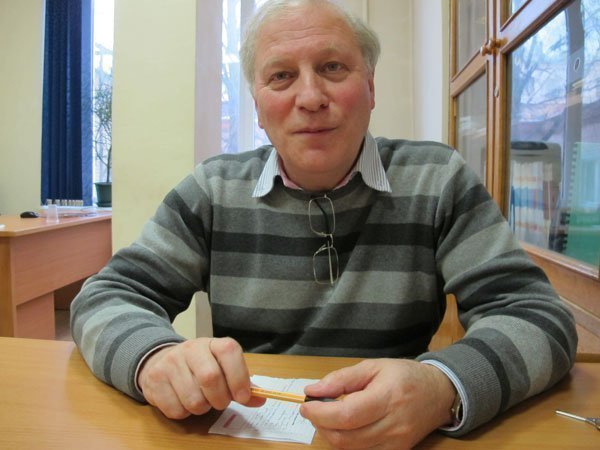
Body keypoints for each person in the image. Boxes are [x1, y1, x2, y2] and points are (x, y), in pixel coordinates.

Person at [71, 0, 577, 448]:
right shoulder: (212, 190)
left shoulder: (437, 180)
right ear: (257, 106)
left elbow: (539, 317)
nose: (310, 97)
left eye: (333, 67)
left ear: (370, 87)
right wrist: (153, 357)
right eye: (281, 76)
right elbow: (106, 297)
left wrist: (443, 385)